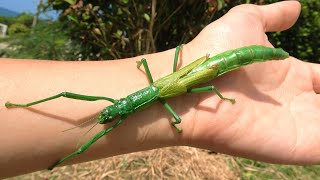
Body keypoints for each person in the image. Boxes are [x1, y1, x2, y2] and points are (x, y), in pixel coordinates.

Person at [1, 1, 315, 178]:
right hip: (199, 69)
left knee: (219, 73)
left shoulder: (164, 99)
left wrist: (218, 94)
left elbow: (154, 105)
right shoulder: (154, 97)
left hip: (209, 68)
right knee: (108, 107)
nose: (117, 111)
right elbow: (127, 107)